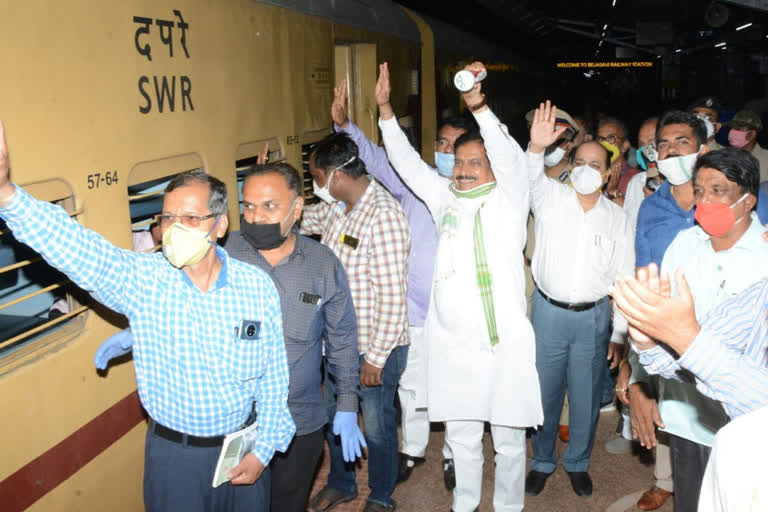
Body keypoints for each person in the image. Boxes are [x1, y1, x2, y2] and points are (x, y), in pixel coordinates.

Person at [0, 119, 295, 511]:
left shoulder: (256, 288)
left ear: (220, 226)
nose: (174, 229)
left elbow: (273, 378)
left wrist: (264, 450)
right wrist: (6, 195)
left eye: (191, 219)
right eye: (168, 218)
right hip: (176, 460)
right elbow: (80, 249)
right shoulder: (145, 281)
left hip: (244, 450)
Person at [379, 60, 546, 512]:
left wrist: (477, 104)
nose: (463, 168)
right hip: (453, 345)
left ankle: (508, 507)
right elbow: (407, 163)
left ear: (492, 168)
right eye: (460, 161)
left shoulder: (510, 201)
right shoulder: (442, 197)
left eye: (475, 162)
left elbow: (510, 158)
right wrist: (386, 115)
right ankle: (465, 505)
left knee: (510, 441)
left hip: (504, 345)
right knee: (463, 437)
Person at [329, 79, 458, 487]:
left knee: (455, 388)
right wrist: (346, 125)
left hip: (458, 315)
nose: (447, 151)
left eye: (456, 145)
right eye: (442, 142)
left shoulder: (482, 197)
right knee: (412, 390)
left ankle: (455, 454)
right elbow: (379, 161)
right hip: (416, 314)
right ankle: (414, 449)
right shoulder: (417, 186)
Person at [628, 148, 767, 512]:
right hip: (688, 414)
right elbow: (657, 321)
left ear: (748, 200)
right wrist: (639, 382)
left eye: (718, 190)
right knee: (691, 502)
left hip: (747, 424)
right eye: (699, 190)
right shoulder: (684, 244)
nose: (704, 200)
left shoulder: (765, 256)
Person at [303, 132, 410, 512]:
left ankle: (381, 494)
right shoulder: (338, 205)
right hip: (338, 344)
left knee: (378, 428)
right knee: (335, 416)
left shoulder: (383, 217)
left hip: (373, 347)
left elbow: (393, 299)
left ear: (335, 175)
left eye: (316, 178)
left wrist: (376, 359)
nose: (316, 186)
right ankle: (342, 483)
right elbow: (308, 216)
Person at [525, 128, 633, 497]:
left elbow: (624, 275)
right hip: (548, 312)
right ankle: (541, 460)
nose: (587, 169)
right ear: (570, 167)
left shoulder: (617, 218)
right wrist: (537, 146)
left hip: (593, 316)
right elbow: (528, 173)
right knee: (543, 392)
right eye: (581, 162)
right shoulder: (549, 198)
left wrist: (620, 333)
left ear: (607, 173)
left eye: (596, 164)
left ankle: (577, 462)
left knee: (585, 395)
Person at [596, 116, 640, 200]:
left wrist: (614, 192)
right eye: (600, 139)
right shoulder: (593, 173)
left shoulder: (636, 179)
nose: (604, 144)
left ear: (624, 146)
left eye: (611, 138)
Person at [726, 110, 768, 182]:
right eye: (732, 127)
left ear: (752, 134)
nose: (733, 131)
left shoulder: (766, 159)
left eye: (739, 128)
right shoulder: (724, 155)